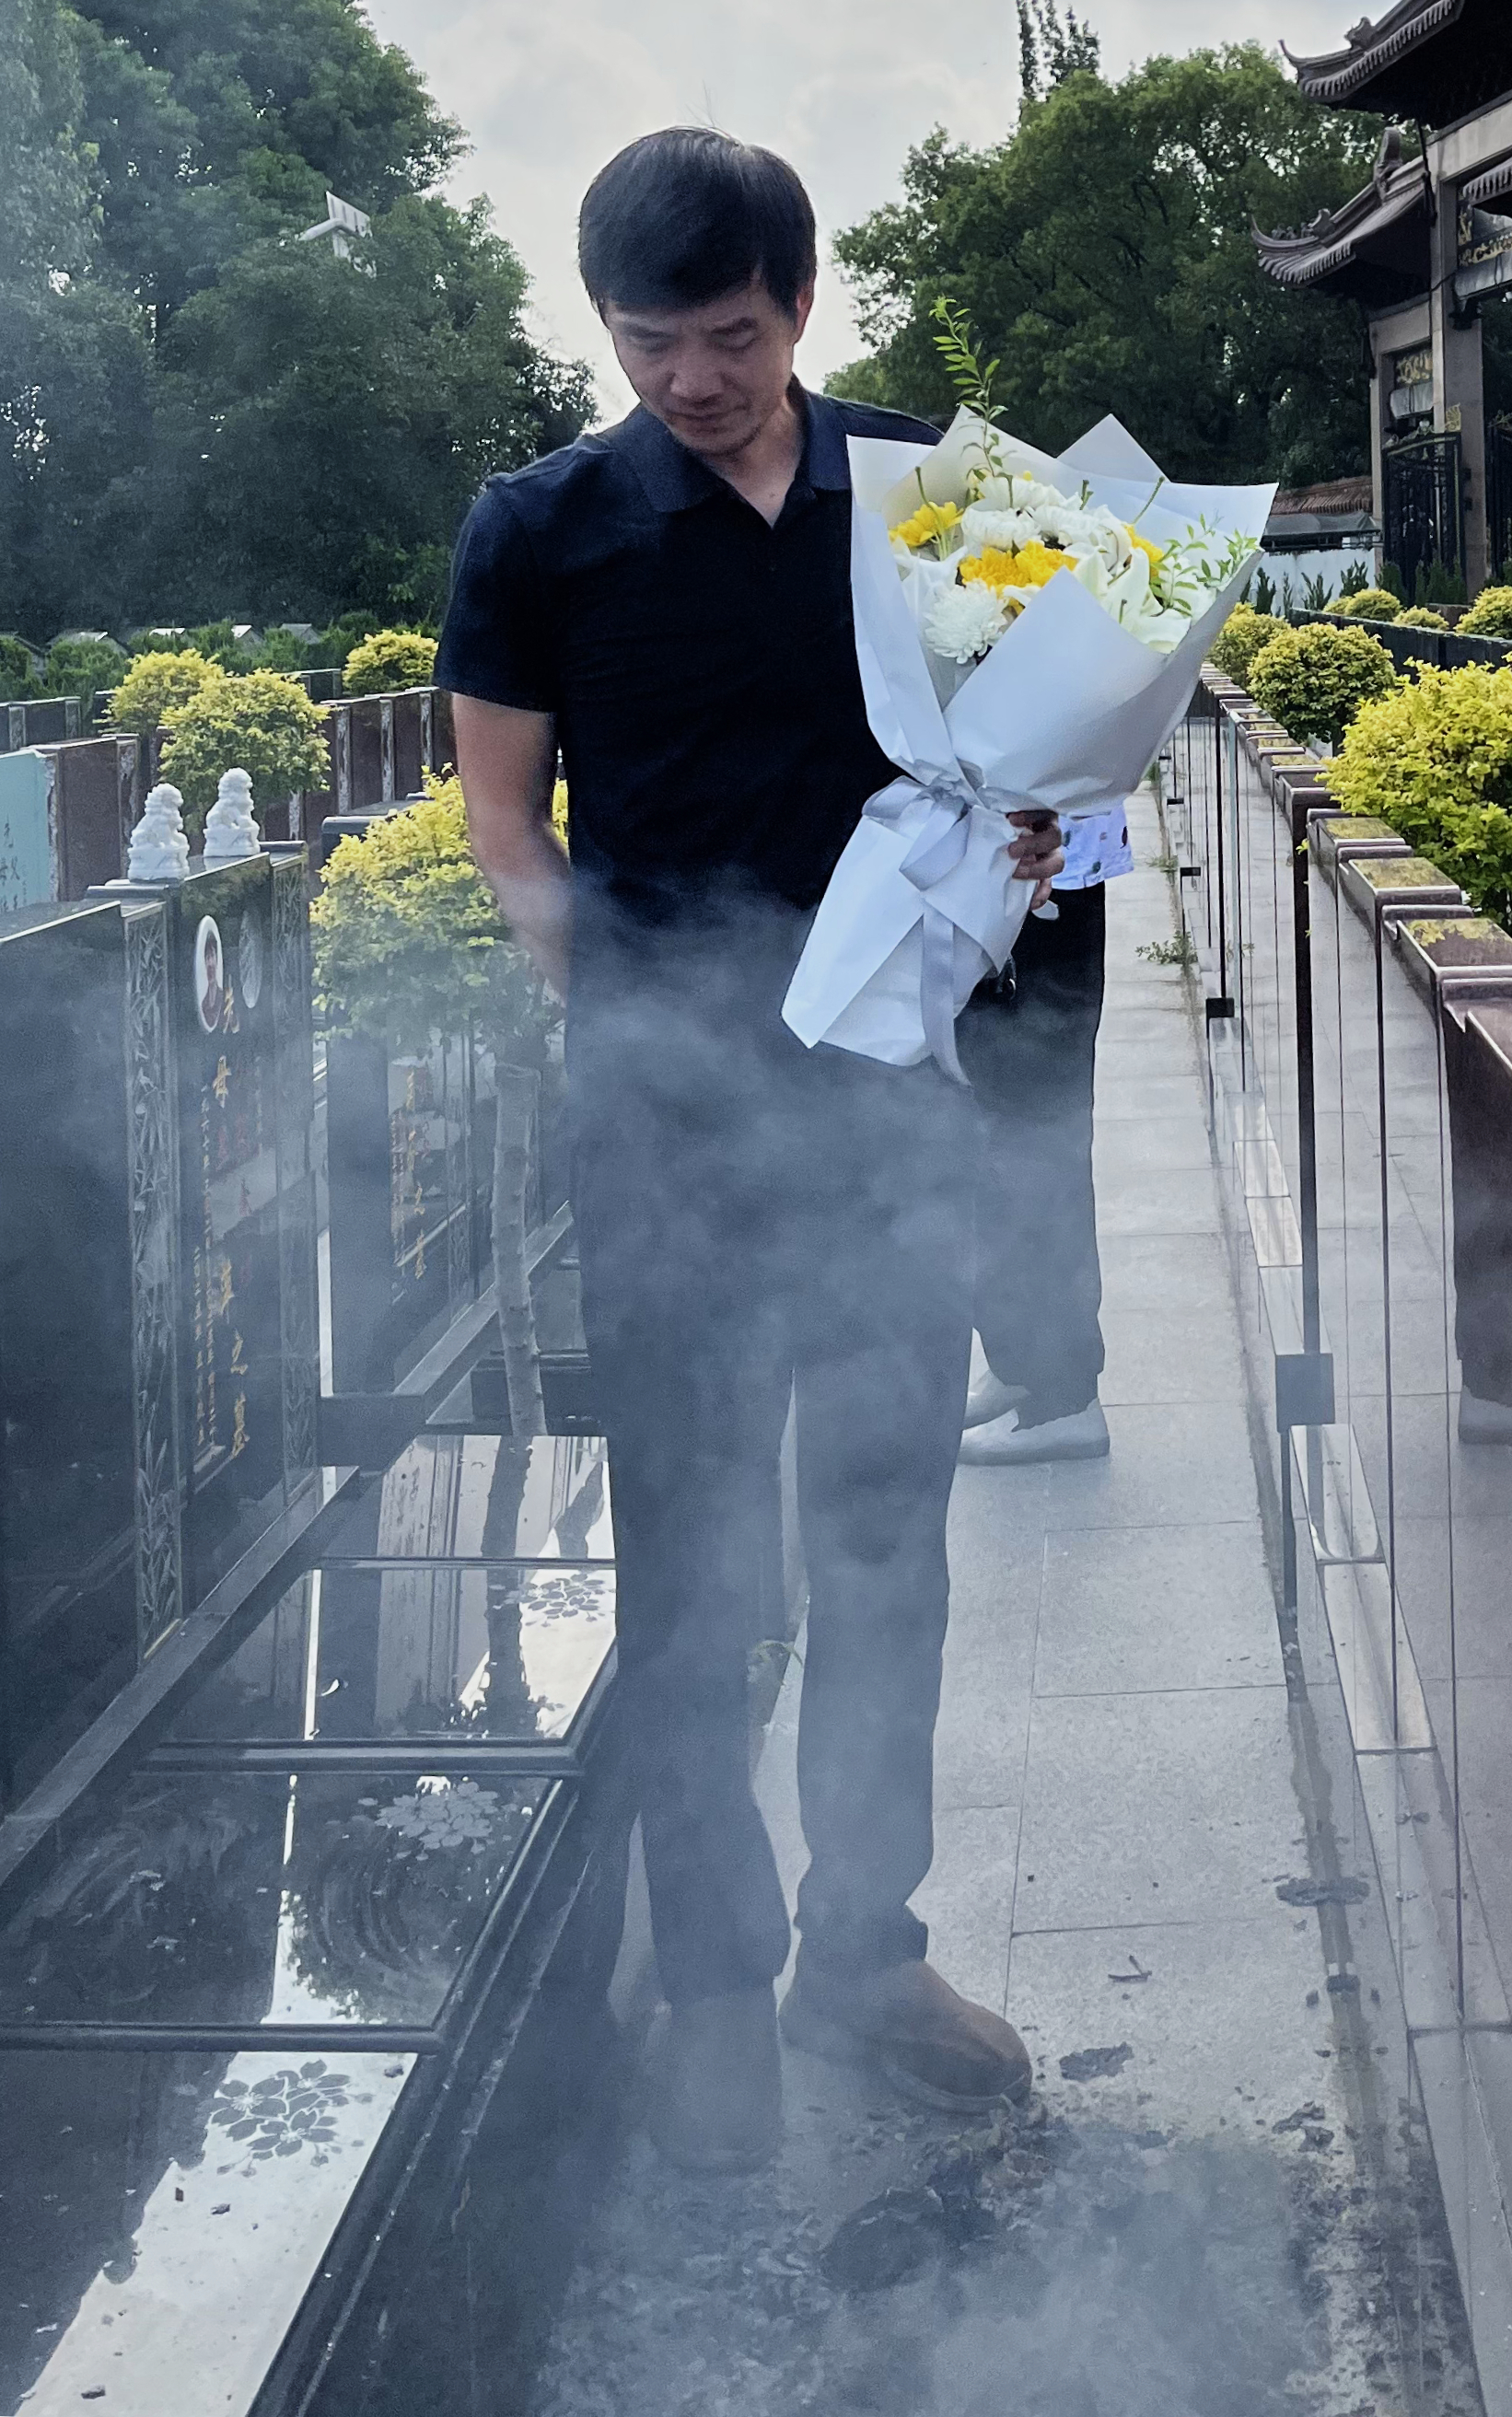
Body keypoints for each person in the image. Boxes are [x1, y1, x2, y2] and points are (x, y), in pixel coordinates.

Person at [442, 128, 1061, 2175]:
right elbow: (507, 823)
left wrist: (1044, 836)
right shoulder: (536, 527)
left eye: (725, 334)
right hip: (670, 1126)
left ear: (801, 303)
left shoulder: (938, 493)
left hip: (891, 1110)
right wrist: (610, 997)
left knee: (888, 1552)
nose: (689, 379)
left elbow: (1056, 744)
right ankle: (710, 1984)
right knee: (692, 1566)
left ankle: (859, 1954)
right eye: (646, 342)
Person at [957, 805, 1129, 1462]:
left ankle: (1060, 1394)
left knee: (1027, 1133)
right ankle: (1021, 1359)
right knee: (1003, 1132)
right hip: (1018, 860)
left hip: (1037, 869)